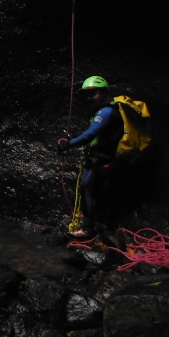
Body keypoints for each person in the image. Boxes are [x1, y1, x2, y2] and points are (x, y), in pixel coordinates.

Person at [55, 75, 125, 236]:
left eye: (93, 93)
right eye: (87, 94)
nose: (90, 98)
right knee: (88, 189)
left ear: (103, 92)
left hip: (103, 160)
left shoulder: (106, 112)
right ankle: (90, 222)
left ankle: (88, 228)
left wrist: (68, 144)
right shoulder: (102, 110)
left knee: (89, 190)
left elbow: (89, 135)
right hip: (97, 157)